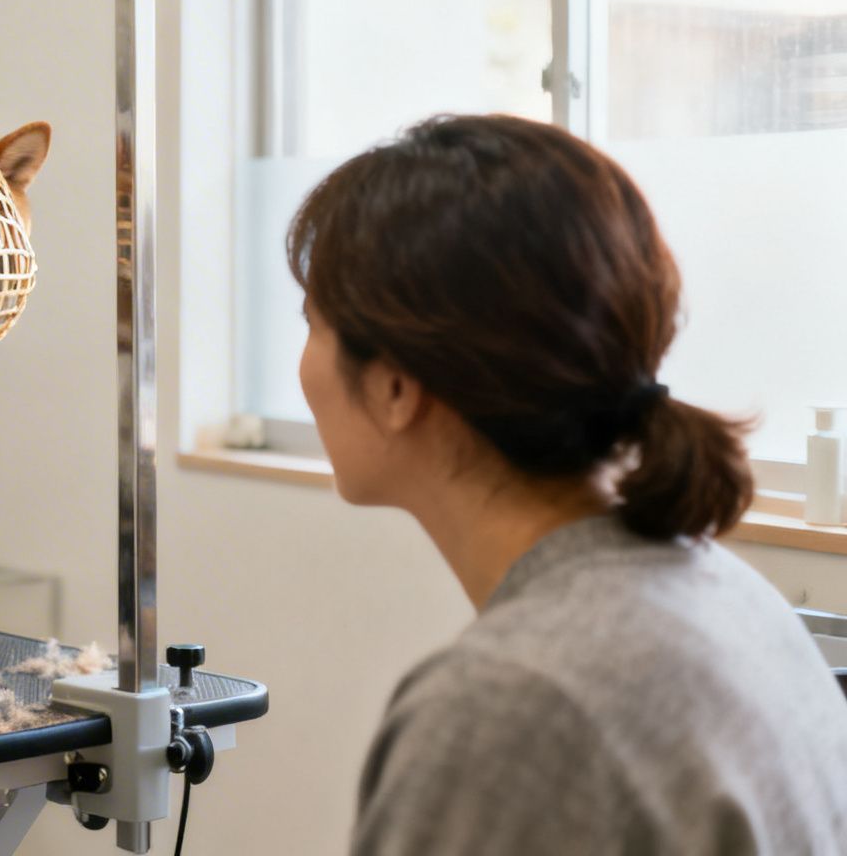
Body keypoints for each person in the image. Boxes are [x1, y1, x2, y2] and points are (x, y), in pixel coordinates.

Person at [287, 114, 847, 854]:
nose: (303, 366)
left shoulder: (509, 706)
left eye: (312, 325)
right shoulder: (732, 598)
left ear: (396, 386)